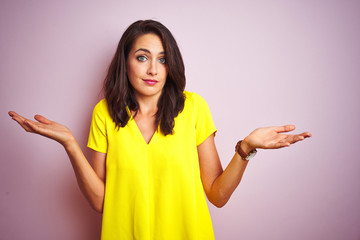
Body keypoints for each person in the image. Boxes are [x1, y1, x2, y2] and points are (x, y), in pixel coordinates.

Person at [8, 20, 311, 240]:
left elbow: (217, 195)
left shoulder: (193, 107)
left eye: (162, 60)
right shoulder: (105, 113)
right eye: (142, 57)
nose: (153, 69)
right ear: (125, 63)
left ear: (171, 65)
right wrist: (70, 145)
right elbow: (102, 203)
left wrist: (245, 148)